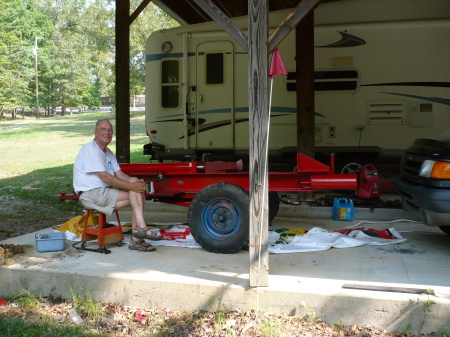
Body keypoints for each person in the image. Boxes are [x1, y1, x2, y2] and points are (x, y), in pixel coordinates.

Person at [73, 119, 161, 252]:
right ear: (95, 132)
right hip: (91, 194)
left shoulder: (107, 152)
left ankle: (137, 236)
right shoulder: (90, 150)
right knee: (134, 190)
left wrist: (136, 182)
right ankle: (139, 232)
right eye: (103, 129)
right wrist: (131, 186)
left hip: (104, 191)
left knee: (136, 187)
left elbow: (120, 175)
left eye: (109, 130)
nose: (107, 133)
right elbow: (105, 177)